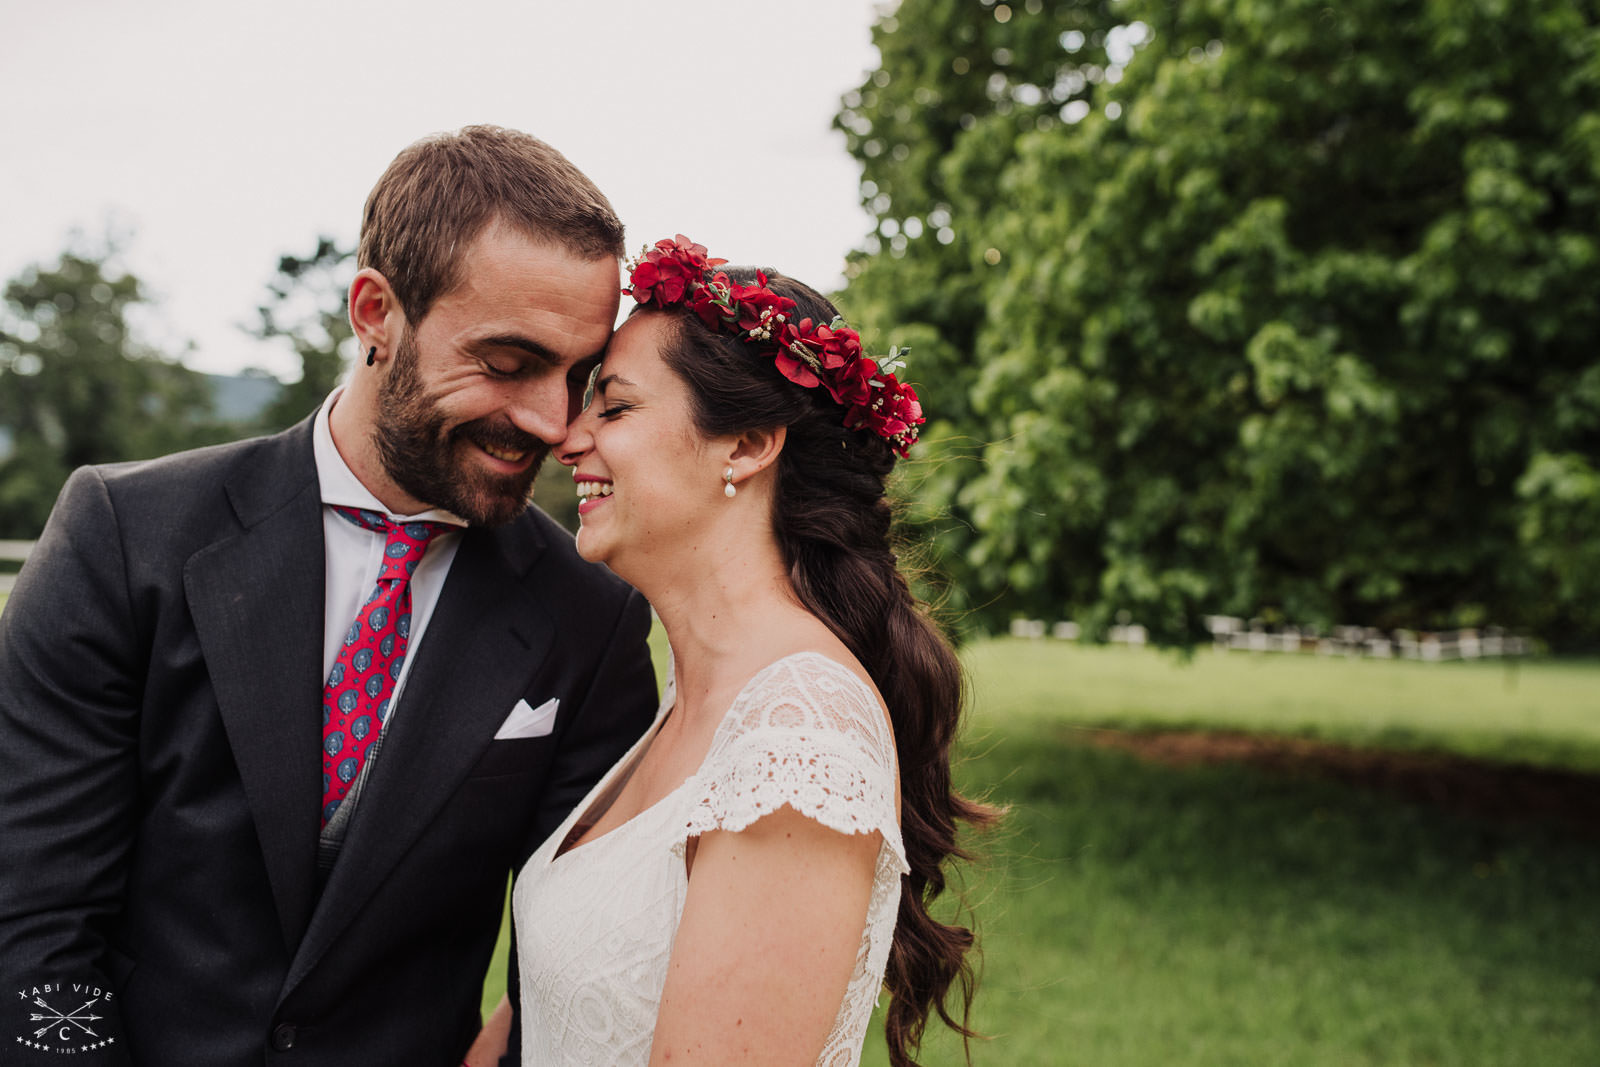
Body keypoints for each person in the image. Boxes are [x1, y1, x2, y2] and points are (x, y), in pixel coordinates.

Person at [0, 126, 659, 1065]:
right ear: (375, 312)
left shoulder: (591, 617)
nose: (553, 421)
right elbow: (35, 921)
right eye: (509, 363)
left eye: (578, 376)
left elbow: (564, 977)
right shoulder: (121, 536)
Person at [470, 236, 994, 1067]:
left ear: (746, 446)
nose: (567, 438)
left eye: (613, 406)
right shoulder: (692, 696)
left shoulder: (797, 740)